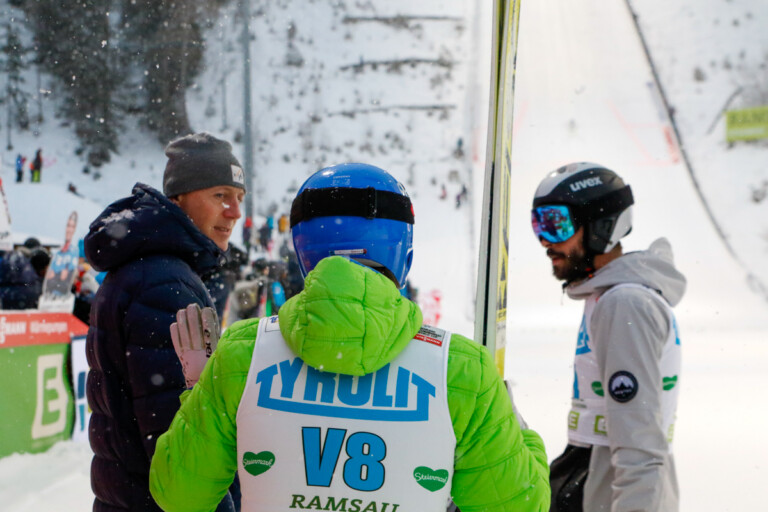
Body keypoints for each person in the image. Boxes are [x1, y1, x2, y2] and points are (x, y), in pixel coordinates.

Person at [150, 163, 550, 511]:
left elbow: (179, 496)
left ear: (303, 254)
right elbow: (520, 503)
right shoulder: (462, 370)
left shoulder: (242, 354)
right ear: (403, 256)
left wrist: (199, 392)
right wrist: (517, 430)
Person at [85, 133, 246, 512]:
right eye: (221, 195)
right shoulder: (164, 284)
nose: (235, 212)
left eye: (240, 197)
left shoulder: (146, 268)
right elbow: (182, 446)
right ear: (179, 199)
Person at [530, 162, 685, 512]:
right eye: (537, 224)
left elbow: (641, 448)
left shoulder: (625, 304)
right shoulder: (609, 297)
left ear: (600, 226)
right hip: (594, 475)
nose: (544, 241)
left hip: (610, 488)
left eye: (556, 224)